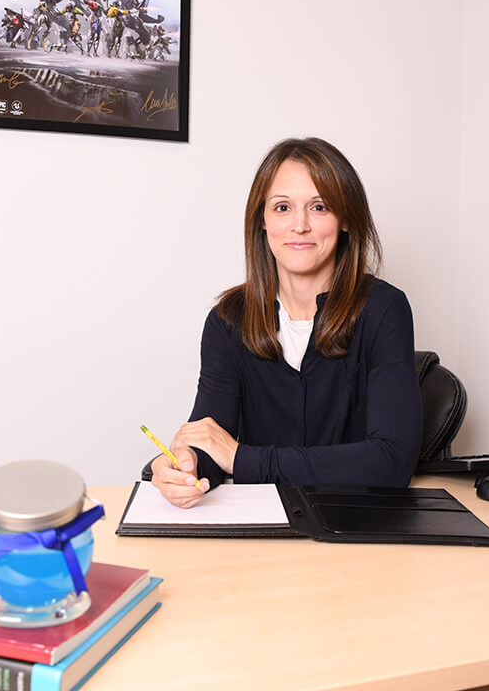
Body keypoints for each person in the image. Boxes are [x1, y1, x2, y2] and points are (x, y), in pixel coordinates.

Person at [150, 137, 423, 508]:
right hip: (262, 529)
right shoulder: (227, 321)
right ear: (262, 221)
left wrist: (244, 460)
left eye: (320, 207)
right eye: (282, 207)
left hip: (358, 526)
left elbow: (392, 461)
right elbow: (213, 441)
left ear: (345, 220)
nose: (300, 225)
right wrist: (187, 465)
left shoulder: (384, 309)